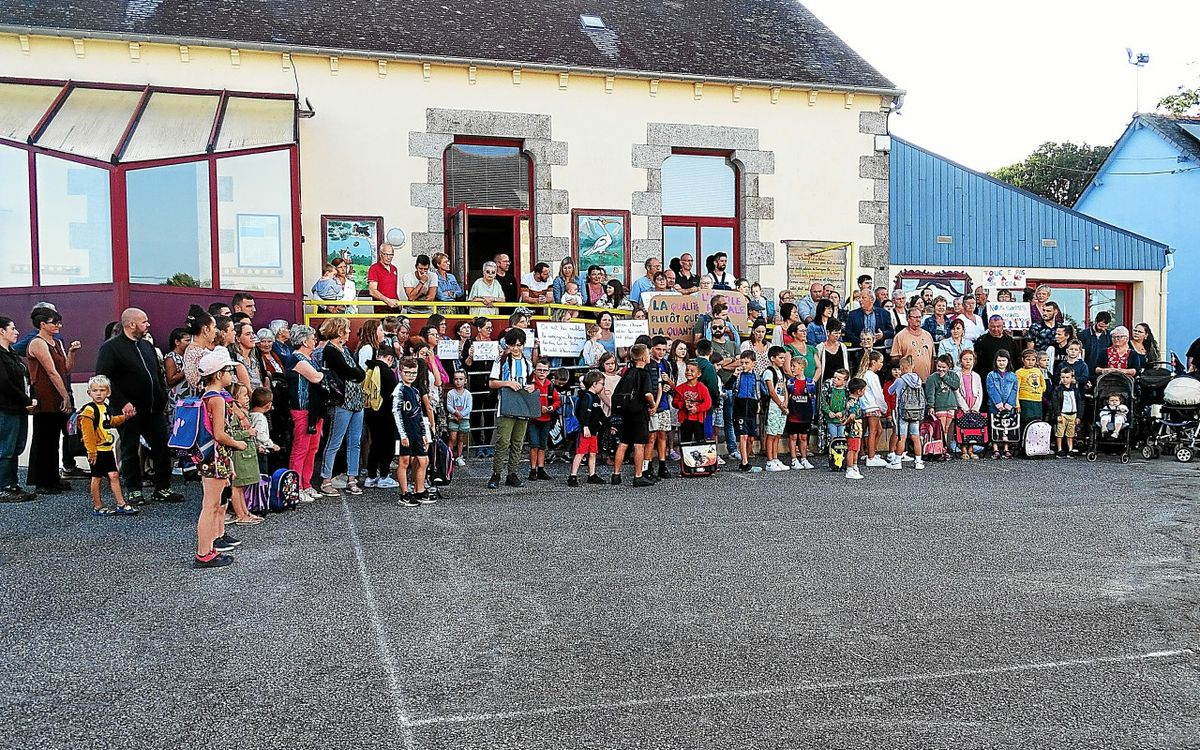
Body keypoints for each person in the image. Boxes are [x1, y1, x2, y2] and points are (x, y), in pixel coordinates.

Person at [94, 308, 181, 505]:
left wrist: (161, 395)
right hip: (129, 411)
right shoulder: (111, 348)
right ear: (131, 324)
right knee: (130, 449)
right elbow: (102, 378)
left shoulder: (147, 346)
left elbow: (157, 374)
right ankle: (134, 490)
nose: (148, 325)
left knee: (161, 447)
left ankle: (163, 488)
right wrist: (122, 402)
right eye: (144, 322)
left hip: (154, 409)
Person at [193, 348, 243, 569]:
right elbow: (220, 433)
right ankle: (204, 552)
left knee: (214, 503)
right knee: (211, 505)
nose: (230, 375)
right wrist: (238, 444)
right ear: (218, 374)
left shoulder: (206, 395)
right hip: (215, 455)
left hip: (210, 455)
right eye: (228, 371)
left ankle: (210, 548)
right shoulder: (217, 399)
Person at [26, 306, 80, 495]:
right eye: (54, 322)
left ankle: (53, 478)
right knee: (45, 439)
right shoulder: (37, 343)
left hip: (58, 394)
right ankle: (42, 480)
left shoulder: (57, 342)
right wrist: (65, 395)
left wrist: (72, 352)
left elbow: (65, 368)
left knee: (55, 438)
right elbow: (51, 371)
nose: (59, 325)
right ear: (42, 324)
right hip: (45, 396)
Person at [74, 374, 137, 516]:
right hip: (96, 450)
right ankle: (98, 506)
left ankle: (121, 504)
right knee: (96, 477)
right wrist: (91, 452)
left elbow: (111, 421)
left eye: (102, 390)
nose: (98, 394)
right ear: (89, 392)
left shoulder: (105, 408)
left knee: (114, 475)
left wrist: (125, 417)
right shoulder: (89, 411)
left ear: (108, 392)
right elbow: (87, 433)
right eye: (95, 390)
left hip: (107, 448)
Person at [488, 328, 534, 490]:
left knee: (518, 442)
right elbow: (492, 383)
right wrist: (508, 383)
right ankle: (496, 474)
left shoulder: (528, 363)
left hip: (522, 406)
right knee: (503, 441)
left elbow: (532, 382)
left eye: (519, 345)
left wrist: (531, 387)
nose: (516, 348)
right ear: (507, 345)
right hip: (506, 406)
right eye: (513, 345)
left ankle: (512, 473)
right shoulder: (501, 361)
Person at [285, 324, 325, 502]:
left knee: (312, 448)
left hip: (314, 409)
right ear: (303, 340)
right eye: (311, 337)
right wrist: (325, 374)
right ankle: (296, 486)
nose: (314, 340)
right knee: (300, 449)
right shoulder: (296, 359)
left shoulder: (309, 359)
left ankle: (306, 484)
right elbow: (316, 377)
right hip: (301, 409)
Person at [0, 316, 35, 502]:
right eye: (12, 328)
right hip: (6, 408)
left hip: (19, 407)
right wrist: (25, 399)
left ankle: (13, 484)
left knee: (16, 447)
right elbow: (4, 383)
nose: (17, 332)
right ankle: (4, 486)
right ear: (1, 331)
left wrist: (30, 397)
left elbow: (24, 378)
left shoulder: (12, 353)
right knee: (6, 448)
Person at [611, 343, 656, 486]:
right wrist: (653, 405)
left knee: (623, 443)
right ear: (643, 357)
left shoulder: (627, 373)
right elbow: (647, 394)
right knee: (639, 444)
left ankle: (616, 474)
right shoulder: (644, 374)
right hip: (639, 412)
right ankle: (638, 475)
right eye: (648, 353)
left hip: (625, 411)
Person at [393, 356, 434, 506]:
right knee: (404, 462)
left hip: (417, 432)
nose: (410, 375)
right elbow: (396, 414)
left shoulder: (416, 391)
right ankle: (404, 493)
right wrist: (402, 435)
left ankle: (420, 490)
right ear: (400, 371)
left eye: (413, 373)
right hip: (405, 432)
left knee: (423, 460)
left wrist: (424, 433)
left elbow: (419, 414)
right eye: (407, 372)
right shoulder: (399, 391)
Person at [568, 371, 607, 486]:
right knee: (580, 453)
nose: (603, 386)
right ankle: (573, 475)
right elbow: (583, 413)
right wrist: (585, 426)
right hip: (585, 430)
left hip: (593, 431)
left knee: (593, 453)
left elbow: (600, 414)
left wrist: (609, 425)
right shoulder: (587, 397)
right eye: (601, 384)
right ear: (594, 384)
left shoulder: (596, 398)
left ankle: (592, 474)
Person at [887, 356, 925, 470]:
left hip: (903, 411)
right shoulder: (918, 379)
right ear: (913, 366)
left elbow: (890, 391)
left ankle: (897, 461)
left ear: (902, 368)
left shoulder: (900, 380)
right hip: (916, 411)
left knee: (901, 437)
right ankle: (918, 461)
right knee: (915, 436)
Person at [525, 360, 561, 481]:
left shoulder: (550, 385)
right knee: (534, 445)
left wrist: (551, 408)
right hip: (533, 419)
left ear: (548, 372)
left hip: (546, 419)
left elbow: (557, 401)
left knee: (542, 445)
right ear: (535, 370)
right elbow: (526, 400)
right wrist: (539, 408)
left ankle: (541, 468)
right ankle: (533, 469)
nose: (541, 372)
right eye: (539, 370)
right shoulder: (531, 384)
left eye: (544, 370)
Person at [647, 336, 674, 479]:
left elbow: (671, 384)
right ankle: (649, 465)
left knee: (662, 434)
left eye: (664, 349)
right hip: (652, 404)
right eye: (658, 349)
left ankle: (662, 465)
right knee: (651, 436)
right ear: (652, 349)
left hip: (664, 403)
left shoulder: (666, 364)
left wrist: (668, 385)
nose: (661, 352)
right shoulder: (648, 364)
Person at [856, 350, 888, 468]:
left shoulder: (863, 374)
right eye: (880, 362)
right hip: (872, 406)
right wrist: (884, 407)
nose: (882, 364)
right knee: (873, 431)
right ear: (874, 362)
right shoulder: (872, 376)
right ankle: (871, 457)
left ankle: (867, 452)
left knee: (874, 430)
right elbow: (878, 394)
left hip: (865, 406)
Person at [762, 346, 790, 472]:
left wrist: (785, 403)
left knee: (778, 434)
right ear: (773, 358)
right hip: (773, 406)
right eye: (780, 358)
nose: (783, 360)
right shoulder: (769, 372)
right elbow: (772, 391)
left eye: (784, 358)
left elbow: (784, 389)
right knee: (771, 434)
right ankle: (769, 460)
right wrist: (780, 404)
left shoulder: (781, 372)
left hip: (782, 406)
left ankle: (775, 457)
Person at [925, 354, 961, 453]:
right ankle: (941, 449)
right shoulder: (932, 378)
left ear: (949, 367)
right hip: (940, 406)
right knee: (941, 428)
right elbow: (930, 393)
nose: (941, 369)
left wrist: (945, 377)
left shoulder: (953, 375)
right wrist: (931, 406)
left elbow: (956, 385)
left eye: (944, 367)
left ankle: (947, 448)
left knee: (948, 429)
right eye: (939, 366)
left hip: (951, 405)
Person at [784, 354, 815, 470]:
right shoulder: (790, 382)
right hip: (793, 413)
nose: (792, 368)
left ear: (802, 368)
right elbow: (787, 396)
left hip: (805, 414)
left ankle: (804, 458)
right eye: (791, 366)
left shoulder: (810, 382)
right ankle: (793, 459)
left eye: (794, 366)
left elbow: (813, 399)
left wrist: (812, 414)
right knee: (793, 437)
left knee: (803, 437)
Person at [972, 315, 1019, 391]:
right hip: (987, 380)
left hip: (1007, 380)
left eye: (998, 326)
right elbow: (976, 363)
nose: (996, 329)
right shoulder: (981, 341)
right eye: (993, 326)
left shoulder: (1011, 341)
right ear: (988, 326)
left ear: (1003, 326)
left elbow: (1016, 361)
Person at [986, 350, 1019, 459]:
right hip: (995, 406)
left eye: (1003, 360)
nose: (1001, 363)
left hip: (1008, 406)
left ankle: (1006, 448)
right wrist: (999, 404)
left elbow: (1015, 390)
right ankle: (995, 448)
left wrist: (1009, 404)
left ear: (1008, 361)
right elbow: (991, 389)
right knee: (995, 426)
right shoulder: (991, 375)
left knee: (1007, 426)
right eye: (999, 360)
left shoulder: (1013, 376)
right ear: (995, 361)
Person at [732, 351, 760, 472]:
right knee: (743, 436)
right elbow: (729, 387)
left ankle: (745, 460)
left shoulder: (757, 376)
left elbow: (763, 391)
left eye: (747, 363)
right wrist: (734, 375)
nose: (744, 365)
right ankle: (744, 463)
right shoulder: (738, 376)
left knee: (750, 438)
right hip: (740, 406)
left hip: (752, 407)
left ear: (753, 363)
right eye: (742, 362)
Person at [891, 308, 936, 379]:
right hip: (907, 381)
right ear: (908, 319)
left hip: (926, 380)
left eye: (919, 317)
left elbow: (932, 358)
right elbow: (895, 359)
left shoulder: (928, 335)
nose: (918, 319)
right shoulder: (900, 336)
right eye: (915, 317)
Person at [248, 387, 281, 474]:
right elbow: (260, 434)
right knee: (263, 475)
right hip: (261, 452)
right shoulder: (261, 418)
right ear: (268, 405)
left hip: (252, 449)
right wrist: (271, 444)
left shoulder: (249, 415)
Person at [1049, 367, 1081, 456]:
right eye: (1063, 377)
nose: (1065, 380)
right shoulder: (1058, 389)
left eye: (1067, 377)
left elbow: (1079, 402)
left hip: (1073, 414)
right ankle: (1059, 449)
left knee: (1070, 433)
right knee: (1060, 432)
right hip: (1063, 414)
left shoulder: (1075, 389)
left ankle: (1070, 449)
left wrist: (1079, 416)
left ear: (1072, 378)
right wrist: (1058, 414)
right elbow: (1055, 403)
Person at [445, 370, 472, 469]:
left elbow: (469, 407)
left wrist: (461, 415)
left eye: (461, 379)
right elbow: (449, 406)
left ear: (465, 381)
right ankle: (449, 456)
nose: (458, 381)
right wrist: (456, 413)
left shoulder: (468, 394)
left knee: (461, 438)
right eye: (456, 379)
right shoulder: (451, 393)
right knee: (452, 438)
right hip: (453, 418)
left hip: (464, 418)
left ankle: (459, 456)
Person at [842, 378, 868, 480]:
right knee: (852, 449)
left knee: (855, 448)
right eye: (864, 390)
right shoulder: (853, 402)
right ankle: (850, 468)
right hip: (854, 428)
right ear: (859, 391)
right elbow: (852, 416)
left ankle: (854, 466)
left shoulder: (852, 401)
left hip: (856, 429)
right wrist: (846, 422)